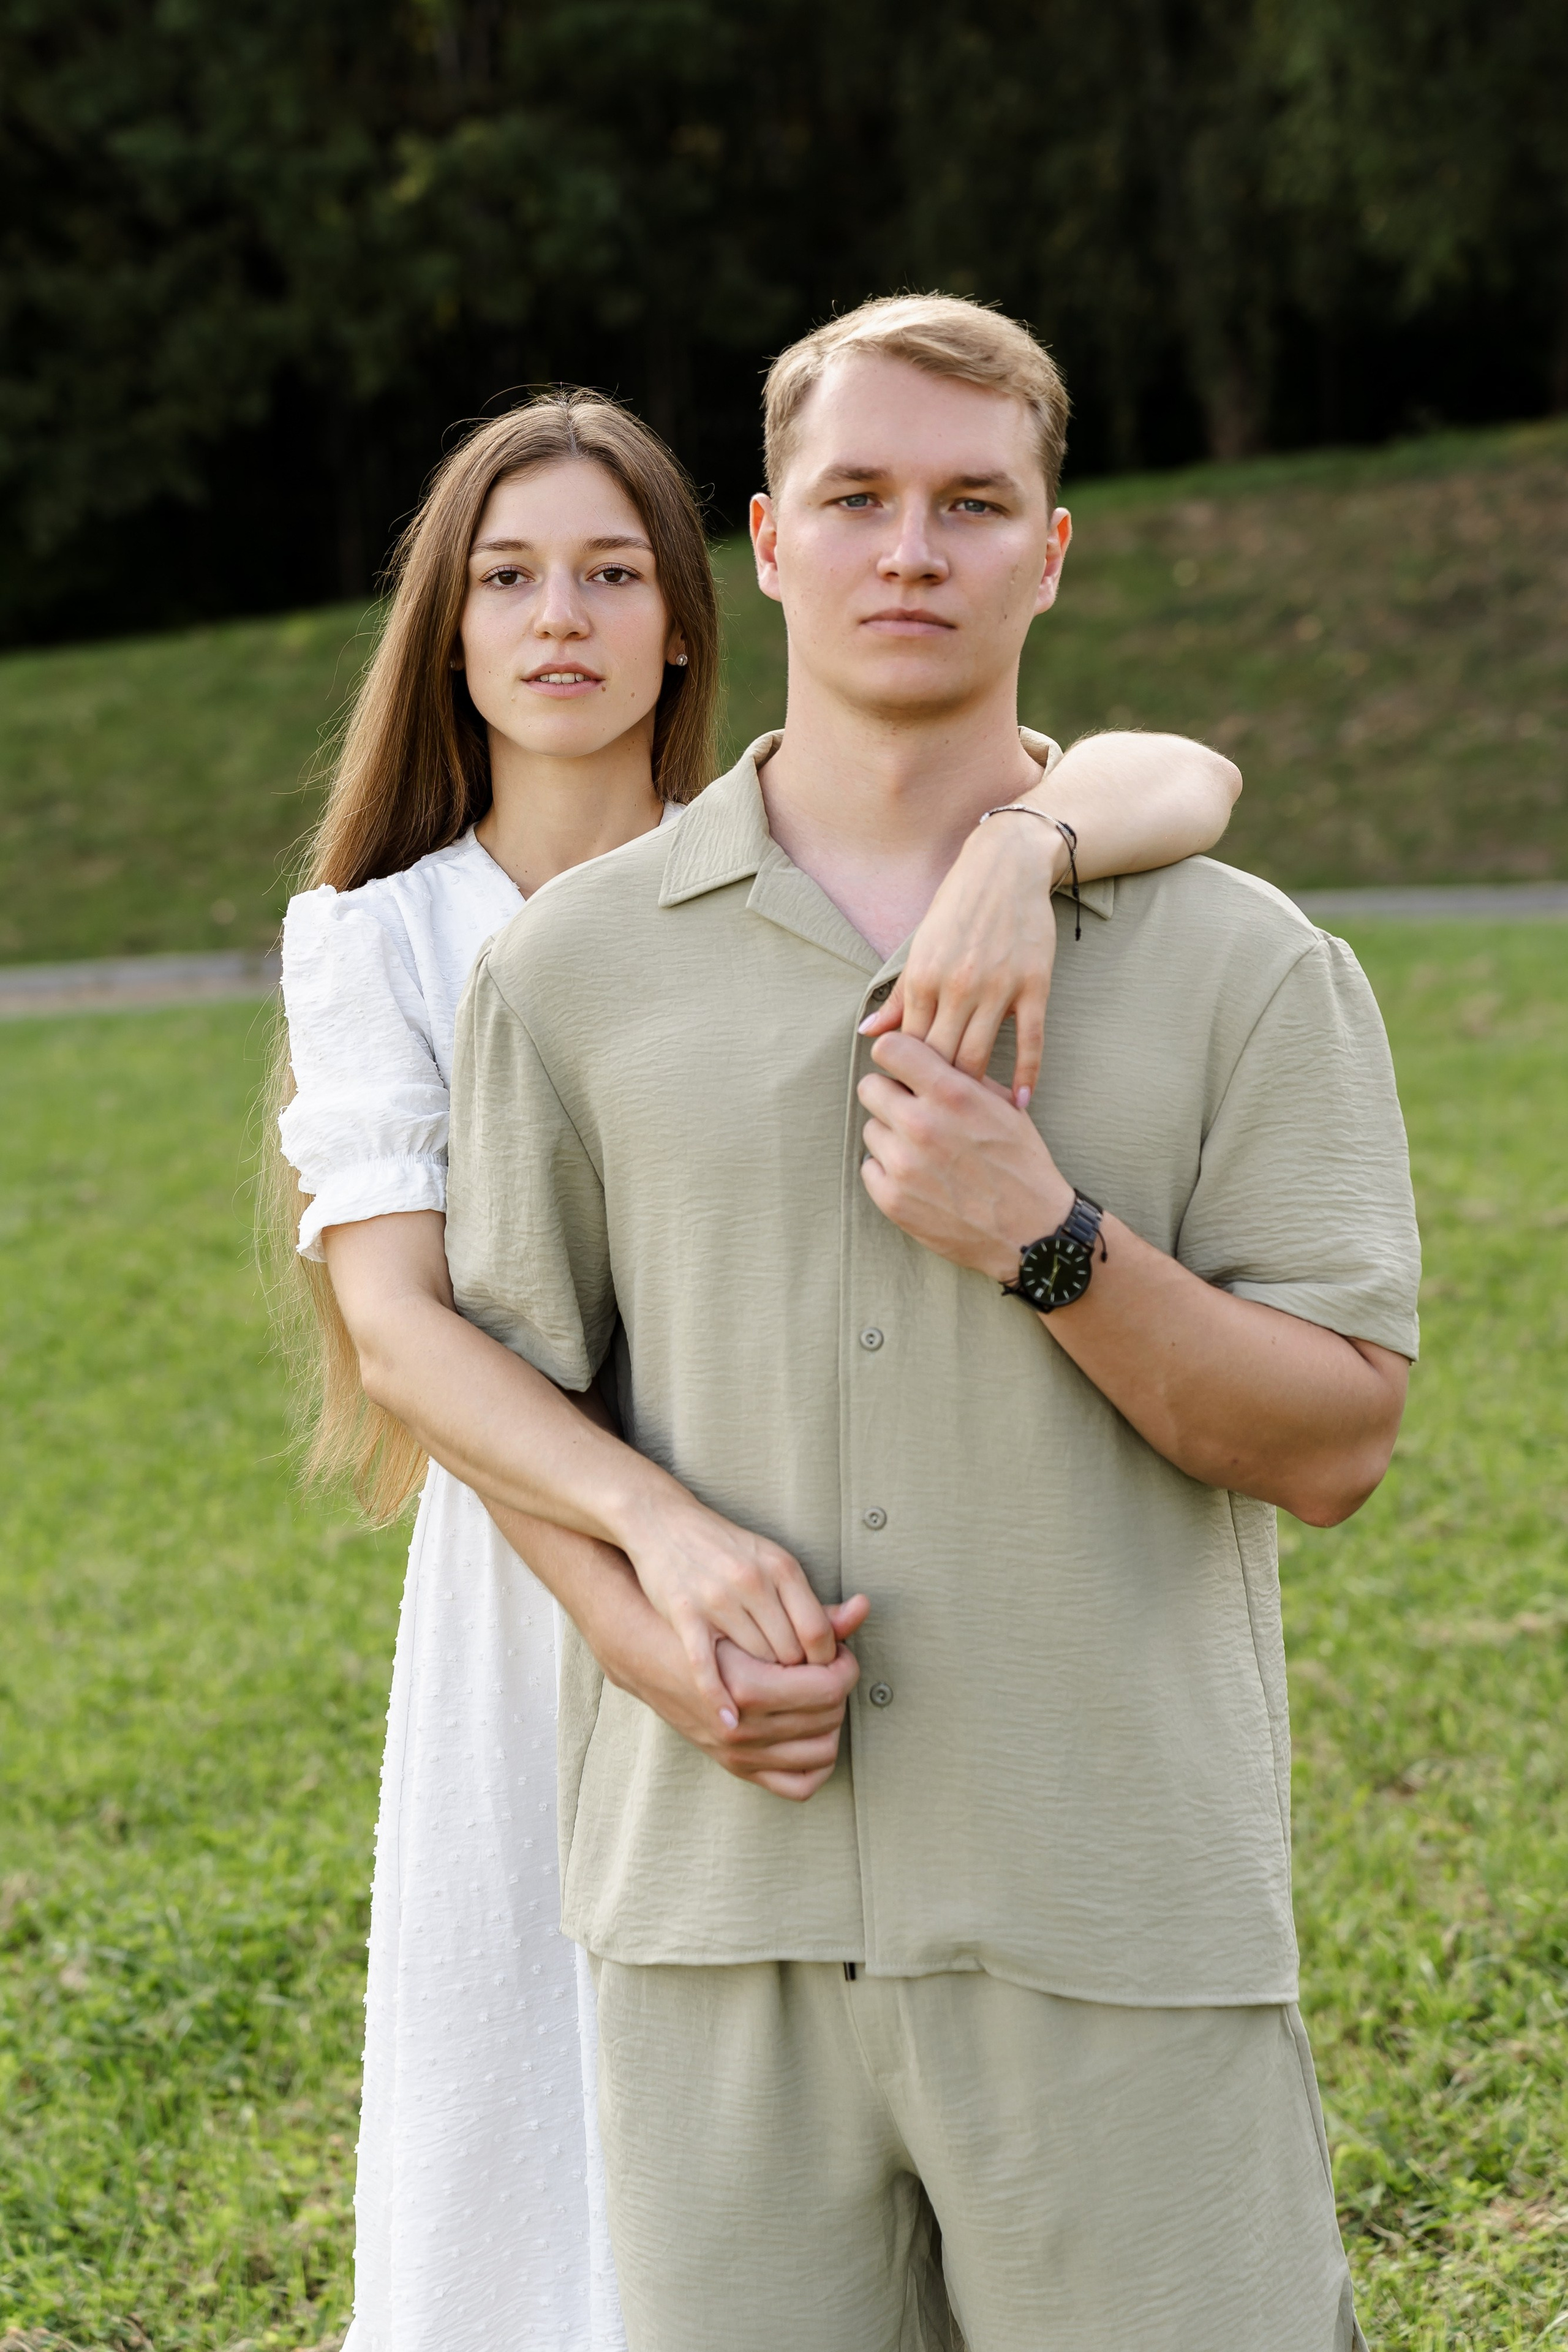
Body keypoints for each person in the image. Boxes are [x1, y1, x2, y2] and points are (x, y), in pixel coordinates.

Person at [444, 298, 1422, 2352]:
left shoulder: (1253, 969)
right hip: (718, 1922)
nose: (914, 550)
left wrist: (1051, 1239)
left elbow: (1334, 1446)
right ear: (771, 542)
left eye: (974, 505)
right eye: (861, 499)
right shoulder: (573, 974)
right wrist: (648, 1633)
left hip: (1116, 1916)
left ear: (1049, 554)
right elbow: (508, 1408)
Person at [271, 386, 1242, 2352]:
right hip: (556, 1571)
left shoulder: (809, 862)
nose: (561, 619)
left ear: (695, 612)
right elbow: (399, 1327)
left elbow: (1191, 773)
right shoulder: (381, 937)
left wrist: (1018, 850)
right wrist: (649, 1574)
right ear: (445, 635)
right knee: (550, 2126)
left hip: (861, 1546)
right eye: (508, 579)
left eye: (613, 573)